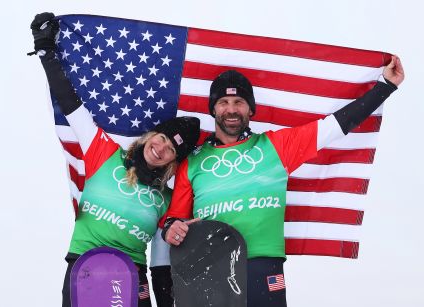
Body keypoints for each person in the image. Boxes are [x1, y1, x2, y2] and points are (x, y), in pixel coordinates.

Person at [162, 57, 404, 306]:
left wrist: (385, 86)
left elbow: (334, 126)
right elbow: (174, 219)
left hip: (263, 266)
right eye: (223, 102)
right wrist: (172, 230)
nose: (231, 109)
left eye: (239, 102)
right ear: (213, 109)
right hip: (210, 269)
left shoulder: (276, 147)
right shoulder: (192, 162)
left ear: (251, 109)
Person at [30, 12, 200, 307]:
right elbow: (71, 105)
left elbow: (162, 257)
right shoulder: (104, 153)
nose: (160, 148)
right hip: (86, 267)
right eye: (161, 139)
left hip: (132, 276)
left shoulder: (166, 199)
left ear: (173, 162)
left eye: (171, 150)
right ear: (150, 136)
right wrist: (46, 52)